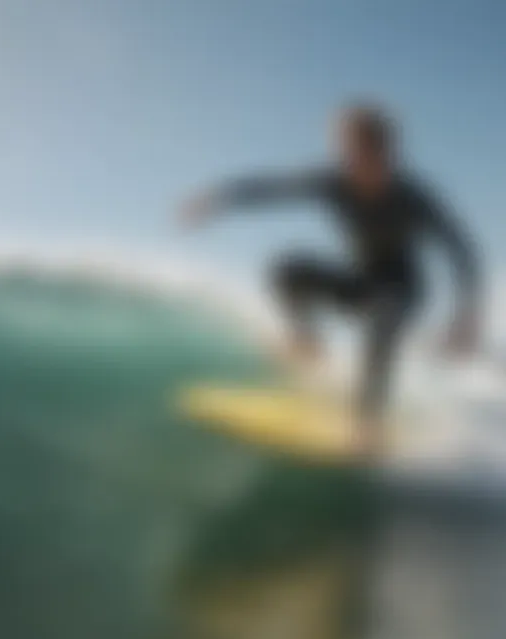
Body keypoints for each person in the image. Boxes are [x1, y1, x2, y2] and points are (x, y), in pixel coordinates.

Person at [178, 104, 483, 456]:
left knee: (383, 315)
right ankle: (304, 338)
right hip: (361, 280)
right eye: (343, 149)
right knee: (288, 269)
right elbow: (272, 189)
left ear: (386, 152)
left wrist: (467, 316)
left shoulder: (414, 198)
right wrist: (218, 198)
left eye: (357, 150)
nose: (348, 159)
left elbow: (461, 250)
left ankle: (368, 424)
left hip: (403, 288)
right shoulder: (334, 183)